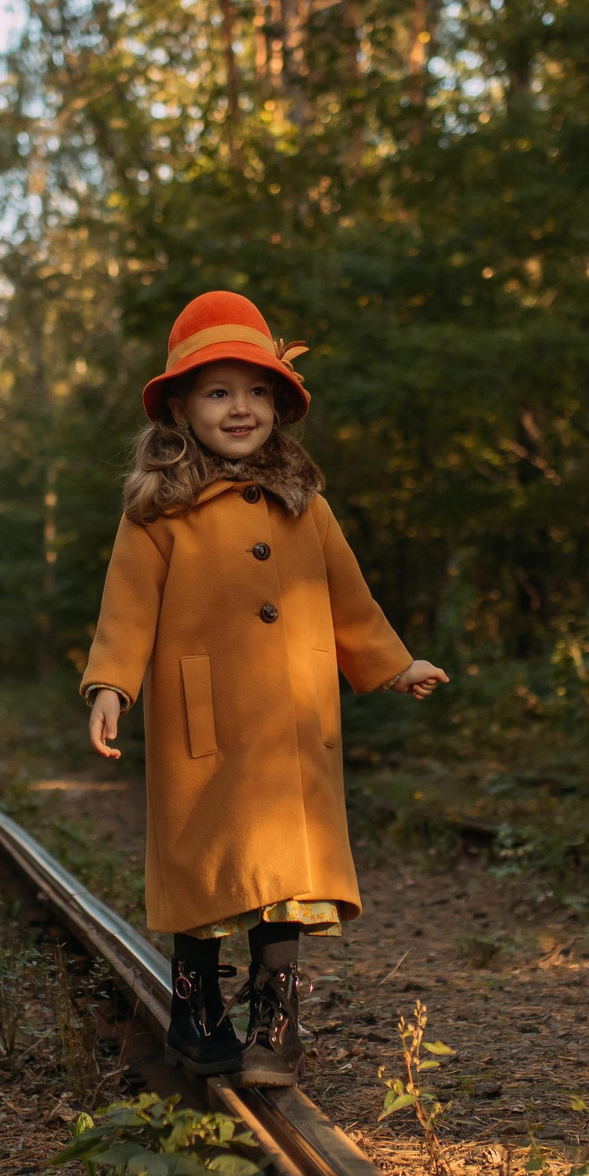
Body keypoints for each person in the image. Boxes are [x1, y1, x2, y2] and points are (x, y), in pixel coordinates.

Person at [80, 292, 447, 1087]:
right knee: (205, 863)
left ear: (279, 406)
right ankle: (197, 1011)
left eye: (255, 391)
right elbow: (126, 609)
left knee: (287, 873)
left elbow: (349, 599)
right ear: (181, 408)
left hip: (290, 718)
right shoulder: (157, 511)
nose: (239, 407)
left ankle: (277, 1024)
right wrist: (111, 684)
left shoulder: (305, 506)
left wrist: (393, 663)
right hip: (202, 722)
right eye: (218, 391)